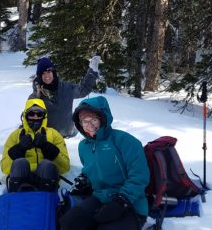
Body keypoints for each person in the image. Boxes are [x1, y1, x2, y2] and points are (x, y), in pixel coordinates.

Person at [59, 96, 149, 230]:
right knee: (68, 222)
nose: (89, 126)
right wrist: (85, 182)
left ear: (103, 118)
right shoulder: (84, 146)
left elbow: (140, 176)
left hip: (130, 203)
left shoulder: (126, 141)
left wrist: (121, 201)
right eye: (84, 121)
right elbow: (92, 171)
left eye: (93, 120)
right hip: (100, 198)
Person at [0, 98, 70, 192]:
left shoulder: (54, 134)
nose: (35, 117)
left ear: (44, 116)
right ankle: (16, 201)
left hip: (46, 177)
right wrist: (19, 149)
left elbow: (65, 167)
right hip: (21, 177)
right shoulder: (15, 135)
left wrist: (47, 147)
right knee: (20, 163)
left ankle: (47, 201)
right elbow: (5, 168)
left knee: (46, 165)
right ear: (25, 115)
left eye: (39, 114)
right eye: (31, 114)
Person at [29, 55, 100, 138]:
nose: (46, 76)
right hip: (48, 138)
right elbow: (28, 117)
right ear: (39, 76)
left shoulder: (66, 88)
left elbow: (83, 90)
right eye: (43, 73)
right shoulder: (37, 94)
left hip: (68, 136)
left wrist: (92, 71)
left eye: (48, 72)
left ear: (53, 72)